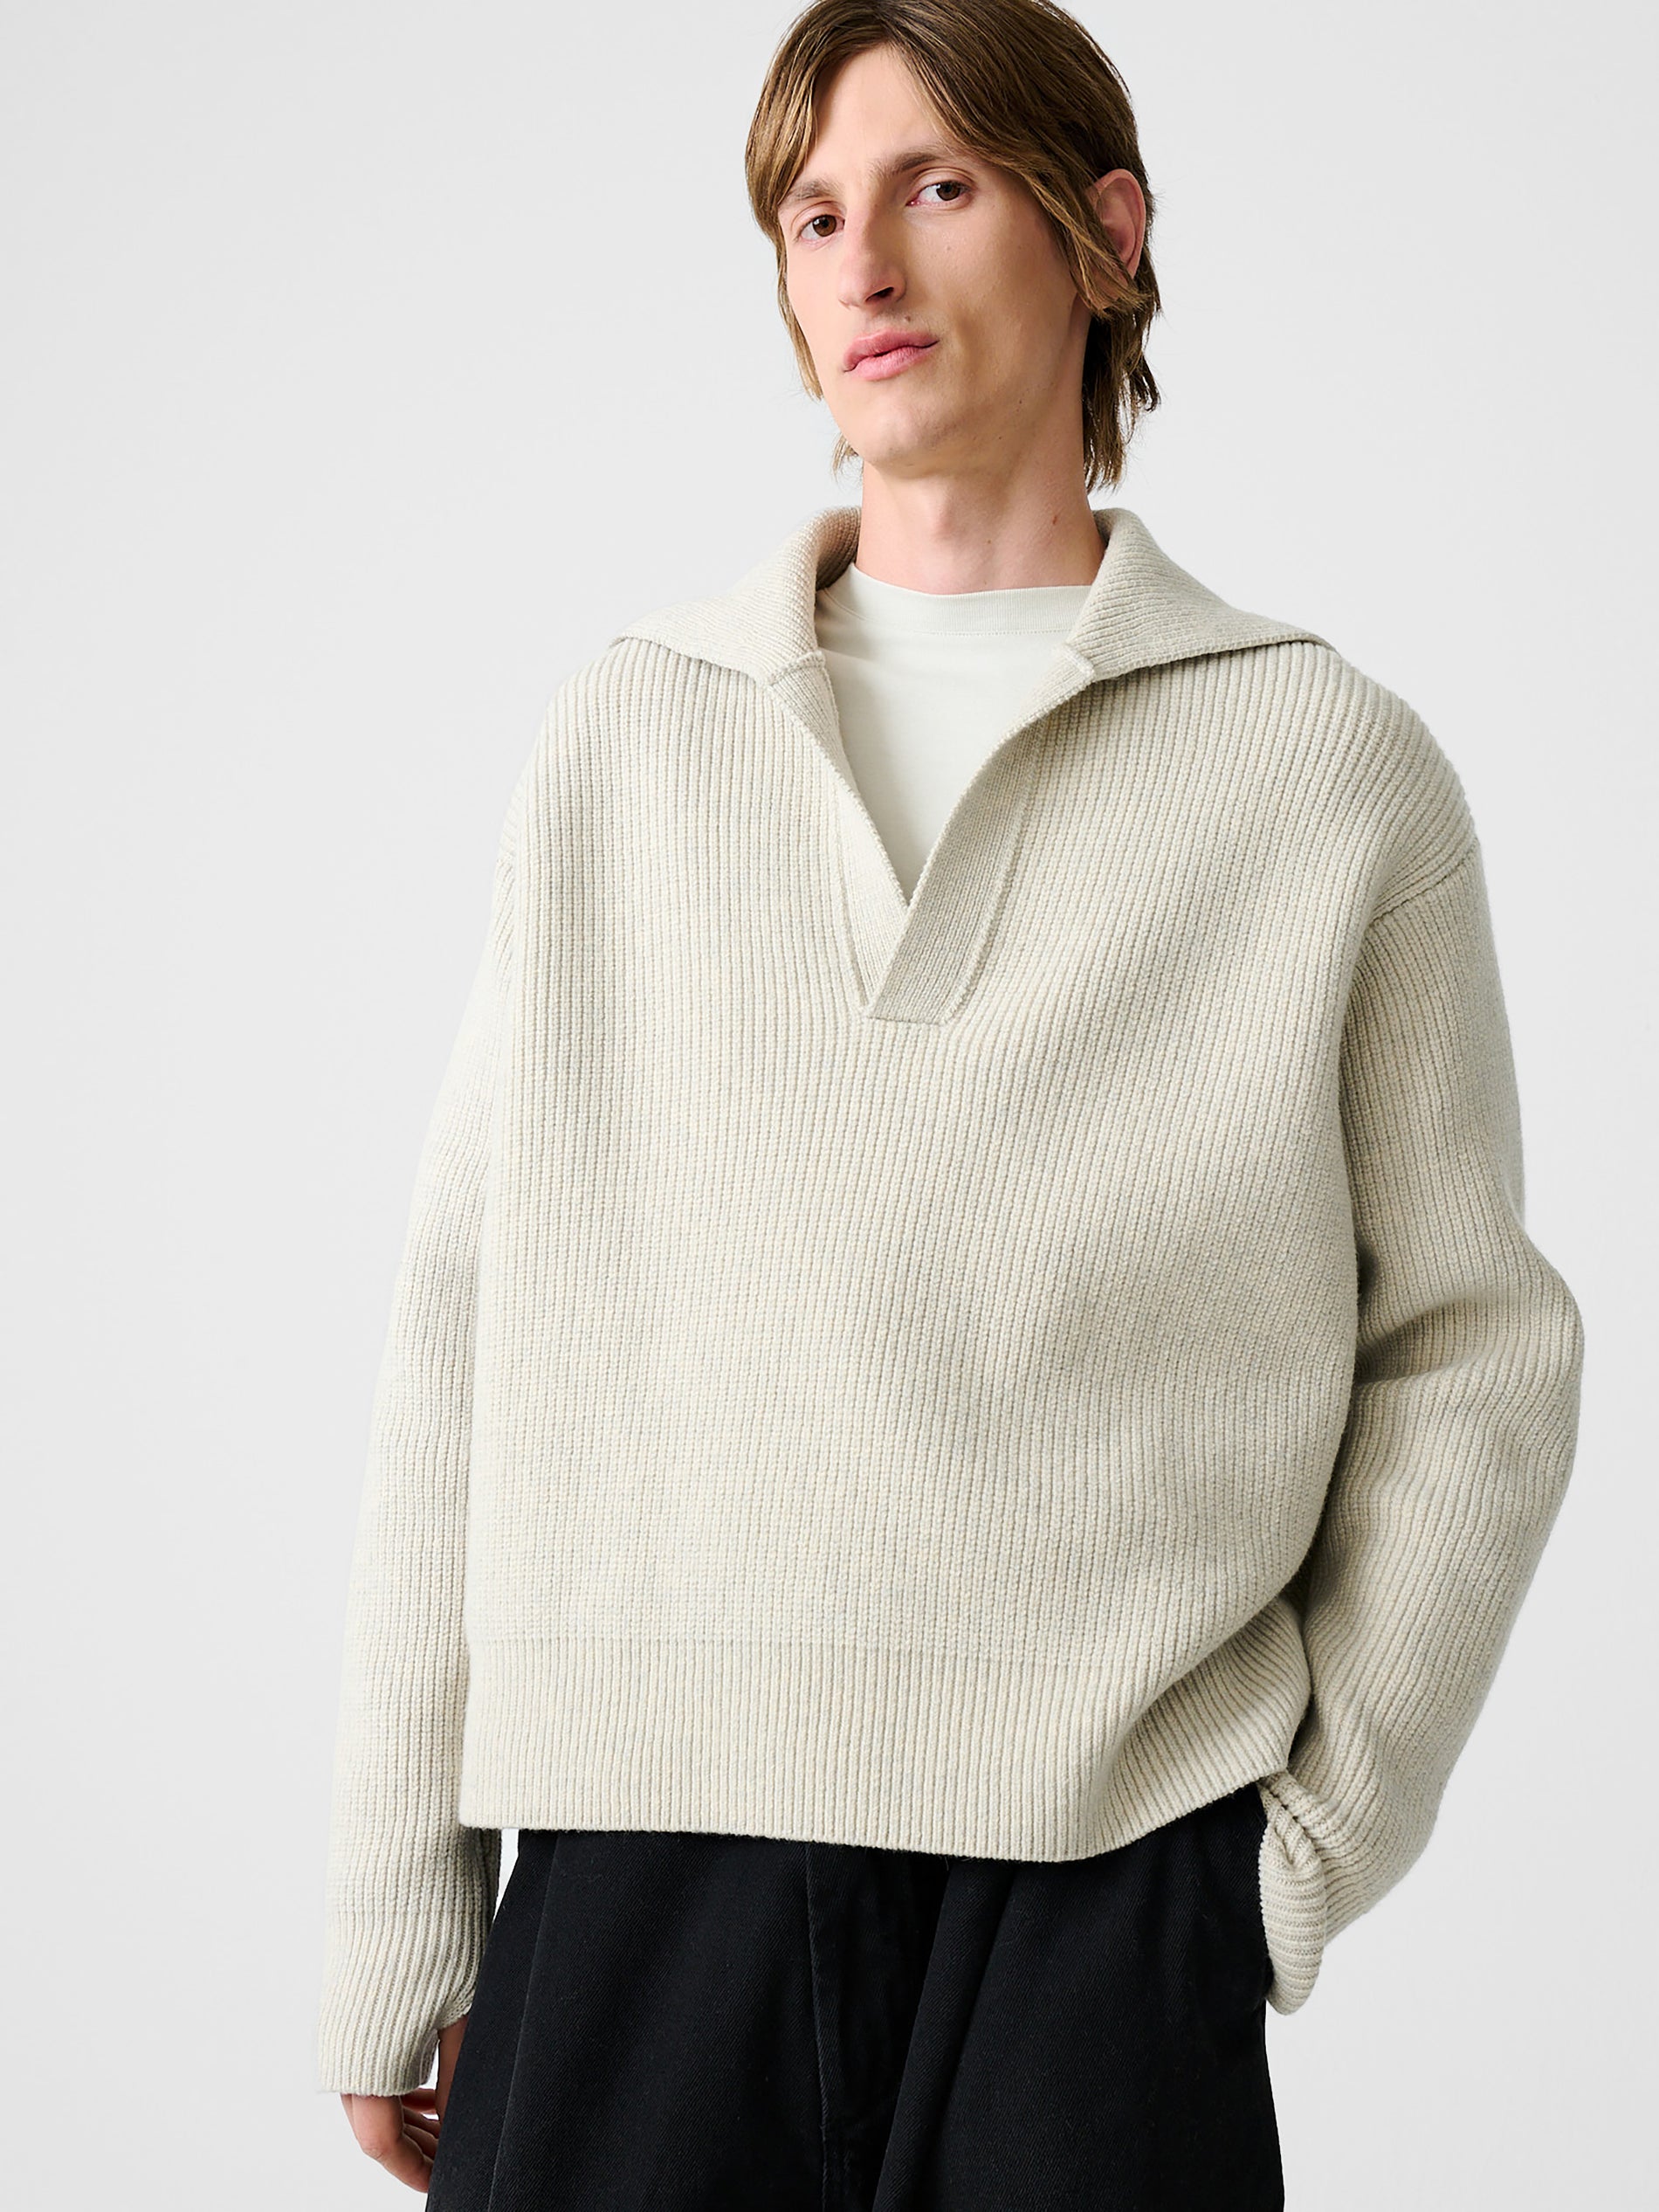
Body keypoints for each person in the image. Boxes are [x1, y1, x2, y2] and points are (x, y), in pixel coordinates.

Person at [316, 2, 1586, 2203]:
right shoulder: (627, 742)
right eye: (812, 216)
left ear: (1105, 234)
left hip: (1099, 1888)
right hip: (635, 1871)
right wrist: (392, 1900)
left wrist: (1282, 1859)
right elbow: (465, 1317)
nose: (863, 265)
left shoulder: (1323, 771)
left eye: (933, 185)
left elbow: (1470, 1349)